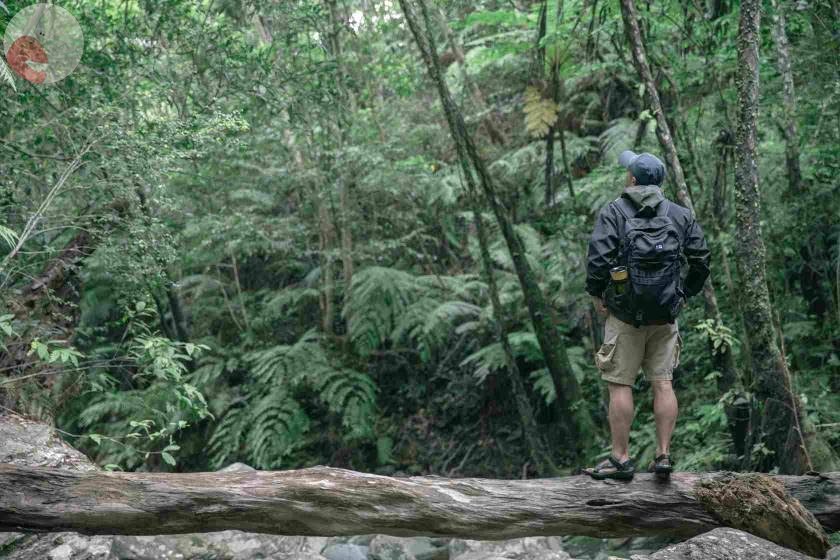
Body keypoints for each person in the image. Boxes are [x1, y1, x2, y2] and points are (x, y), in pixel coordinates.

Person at [582, 150, 710, 480]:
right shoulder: (680, 215)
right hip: (665, 316)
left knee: (619, 385)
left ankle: (620, 459)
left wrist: (599, 295)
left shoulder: (614, 212)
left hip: (625, 315)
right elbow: (701, 260)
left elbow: (598, 261)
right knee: (663, 383)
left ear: (633, 180)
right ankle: (663, 456)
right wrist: (683, 294)